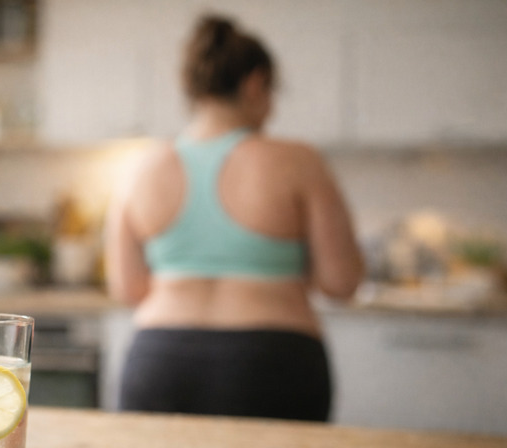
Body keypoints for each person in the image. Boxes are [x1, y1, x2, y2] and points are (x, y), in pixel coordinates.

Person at [104, 14, 364, 422]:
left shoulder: (141, 167)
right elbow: (342, 282)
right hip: (271, 359)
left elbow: (127, 287)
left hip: (161, 357)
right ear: (255, 83)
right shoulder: (299, 161)